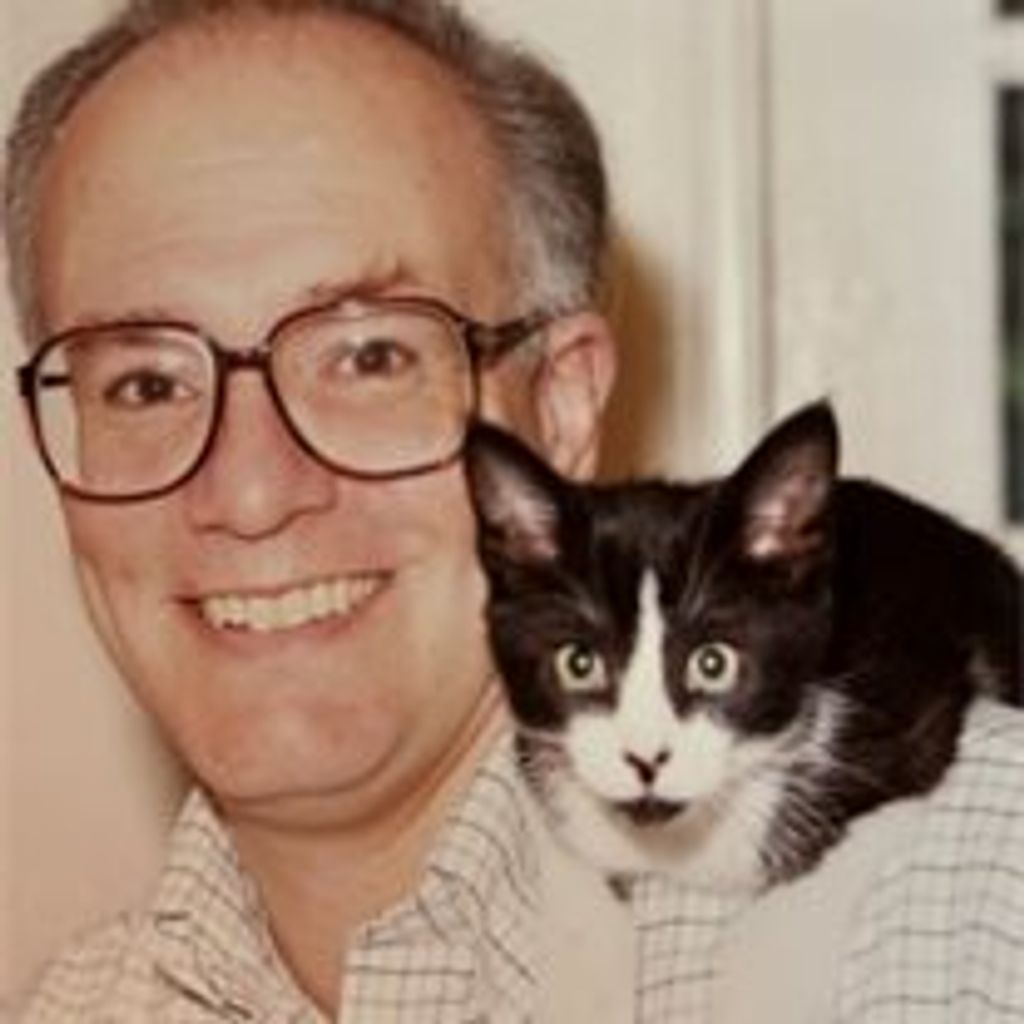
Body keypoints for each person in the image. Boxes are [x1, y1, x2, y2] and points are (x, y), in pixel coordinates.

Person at [5, 1, 1024, 1022]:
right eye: (145, 384)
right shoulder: (78, 1006)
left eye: (369, 357)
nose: (251, 493)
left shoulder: (978, 908)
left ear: (561, 406)